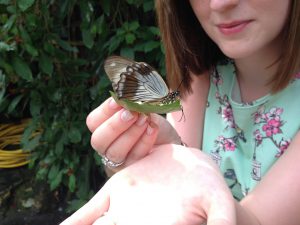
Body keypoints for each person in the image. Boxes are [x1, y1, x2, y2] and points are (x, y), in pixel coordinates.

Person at [61, 0, 300, 224]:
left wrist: (191, 177)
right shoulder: (201, 76)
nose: (220, 3)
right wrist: (140, 156)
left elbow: (256, 220)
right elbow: (176, 175)